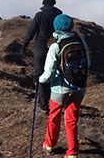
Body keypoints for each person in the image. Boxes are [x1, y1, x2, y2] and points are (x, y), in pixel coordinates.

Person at [40, 14, 90, 158]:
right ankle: (73, 153)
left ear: (56, 28)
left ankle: (49, 145)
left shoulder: (56, 46)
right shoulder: (81, 42)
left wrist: (40, 80)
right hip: (79, 87)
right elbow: (88, 64)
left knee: (54, 117)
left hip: (59, 89)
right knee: (72, 121)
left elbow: (48, 73)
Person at [22, 0, 62, 113]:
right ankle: (54, 101)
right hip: (55, 46)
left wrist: (25, 44)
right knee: (53, 73)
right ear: (54, 3)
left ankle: (43, 104)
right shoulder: (59, 15)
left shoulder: (39, 15)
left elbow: (31, 31)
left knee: (41, 74)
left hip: (40, 46)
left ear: (43, 3)